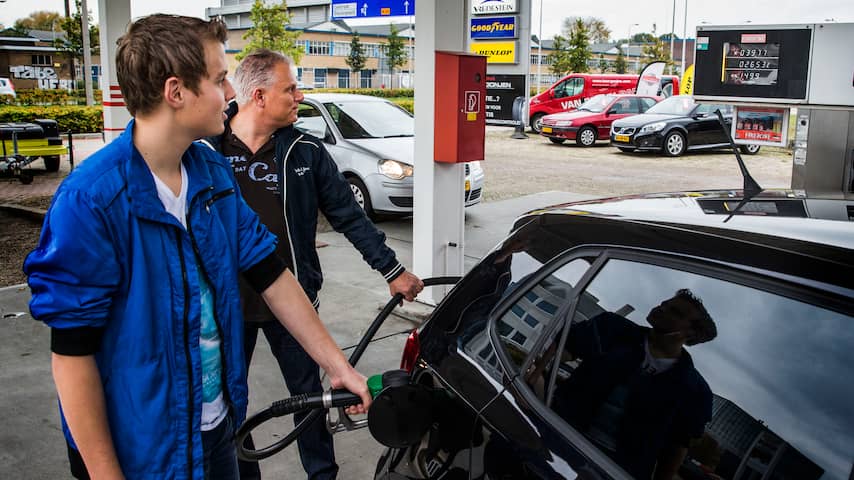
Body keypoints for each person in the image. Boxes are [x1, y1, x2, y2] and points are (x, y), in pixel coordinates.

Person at [23, 15, 370, 480]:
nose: (231, 93)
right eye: (219, 78)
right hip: (141, 450)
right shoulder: (91, 200)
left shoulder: (211, 172)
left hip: (215, 429)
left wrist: (337, 365)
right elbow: (71, 353)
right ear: (176, 92)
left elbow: (271, 274)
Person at [203, 49, 423, 480]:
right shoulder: (207, 151)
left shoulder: (305, 151)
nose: (300, 97)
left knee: (311, 399)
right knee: (233, 404)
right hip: (227, 307)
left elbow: (348, 215)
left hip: (293, 302)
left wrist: (392, 270)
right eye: (291, 89)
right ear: (260, 96)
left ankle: (322, 474)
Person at [553, 289, 717, 480]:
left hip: (617, 470)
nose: (661, 309)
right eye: (663, 303)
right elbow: (561, 351)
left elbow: (677, 446)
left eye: (675, 312)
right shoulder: (612, 328)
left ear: (692, 333)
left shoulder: (696, 390)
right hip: (560, 434)